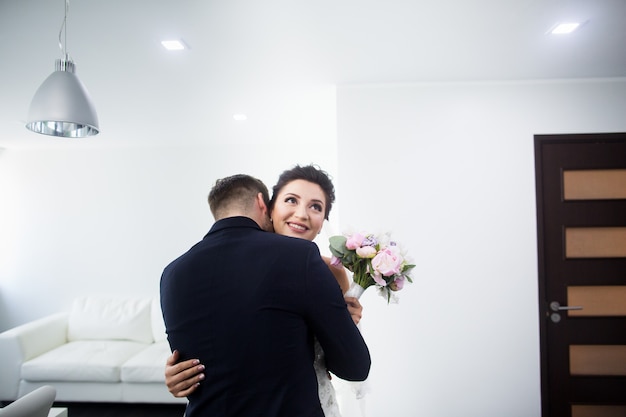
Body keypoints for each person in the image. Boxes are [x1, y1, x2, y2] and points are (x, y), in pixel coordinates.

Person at [160, 172, 370, 417]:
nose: (301, 213)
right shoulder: (300, 257)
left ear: (324, 220)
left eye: (315, 206)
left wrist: (345, 322)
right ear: (267, 206)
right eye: (291, 200)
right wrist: (174, 374)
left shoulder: (172, 272)